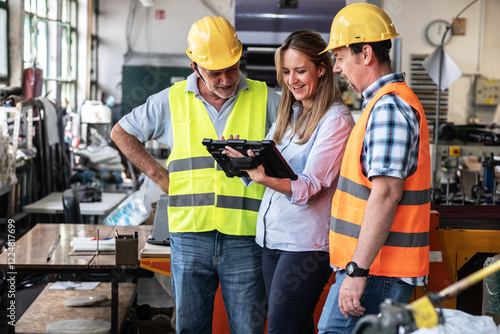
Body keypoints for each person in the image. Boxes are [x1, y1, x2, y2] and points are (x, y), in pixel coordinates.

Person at [110, 16, 281, 334]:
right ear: (194, 66)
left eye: (232, 67)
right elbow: (121, 132)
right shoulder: (171, 101)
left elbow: (298, 149)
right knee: (190, 329)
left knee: (248, 329)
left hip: (246, 238)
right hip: (189, 237)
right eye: (215, 73)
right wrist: (158, 174)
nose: (227, 79)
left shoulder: (268, 99)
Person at [224, 30, 354, 334]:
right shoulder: (291, 114)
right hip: (273, 239)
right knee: (296, 327)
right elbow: (267, 159)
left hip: (305, 245)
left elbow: (310, 186)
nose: (292, 79)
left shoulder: (335, 120)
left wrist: (264, 177)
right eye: (286, 72)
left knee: (282, 330)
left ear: (321, 70)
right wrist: (243, 157)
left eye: (300, 70)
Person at [317, 3, 431, 333]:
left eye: (339, 57)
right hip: (374, 267)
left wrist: (356, 272)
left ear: (365, 53)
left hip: (377, 269)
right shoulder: (383, 104)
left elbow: (385, 194)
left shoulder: (389, 107)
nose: (336, 68)